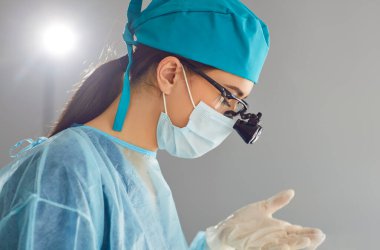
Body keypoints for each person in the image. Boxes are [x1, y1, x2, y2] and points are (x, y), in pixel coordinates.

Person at [0, 0, 326, 249]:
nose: (230, 117)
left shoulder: (147, 181)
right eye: (229, 97)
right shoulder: (67, 167)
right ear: (170, 73)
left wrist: (215, 244)